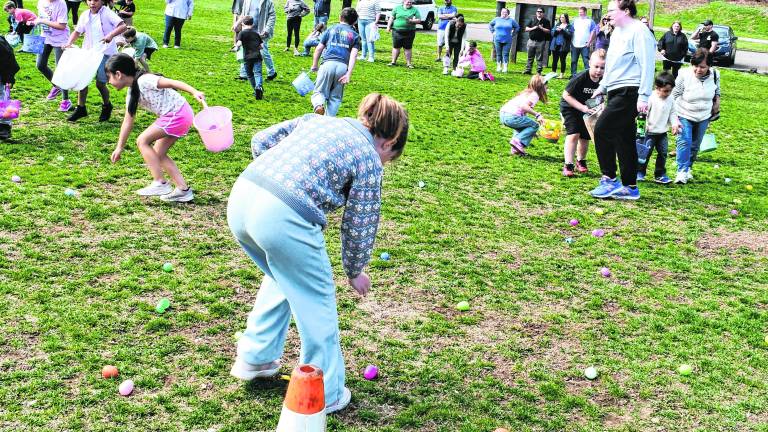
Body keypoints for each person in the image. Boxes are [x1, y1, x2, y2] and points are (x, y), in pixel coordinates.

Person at [227, 92, 409, 416]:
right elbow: (360, 223)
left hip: (243, 195)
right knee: (318, 302)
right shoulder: (368, 158)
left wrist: (276, 177)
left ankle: (256, 356)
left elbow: (260, 140)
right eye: (389, 159)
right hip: (282, 217)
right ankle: (327, 392)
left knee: (281, 277)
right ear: (389, 141)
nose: (385, 164)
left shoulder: (318, 120)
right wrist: (354, 270)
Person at [105, 53, 203, 202]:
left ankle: (160, 182)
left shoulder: (145, 80)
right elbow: (127, 122)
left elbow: (173, 83)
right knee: (158, 153)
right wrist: (119, 147)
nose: (109, 82)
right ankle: (183, 190)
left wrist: (194, 92)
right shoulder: (132, 92)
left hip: (177, 114)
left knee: (142, 140)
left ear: (118, 74)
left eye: (109, 77)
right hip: (179, 115)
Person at [588, 0, 655, 200]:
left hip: (631, 91)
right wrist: (602, 87)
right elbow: (613, 65)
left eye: (611, 10)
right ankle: (630, 187)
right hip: (616, 91)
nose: (607, 14)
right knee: (623, 139)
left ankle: (609, 178)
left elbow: (647, 64)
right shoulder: (616, 33)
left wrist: (644, 96)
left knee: (602, 129)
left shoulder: (640, 31)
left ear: (626, 11)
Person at [64, 0, 126, 122]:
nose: (92, 2)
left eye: (96, 0)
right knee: (82, 81)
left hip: (104, 53)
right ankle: (81, 108)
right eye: (89, 0)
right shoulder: (85, 14)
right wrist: (69, 43)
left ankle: (107, 105)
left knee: (100, 83)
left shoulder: (107, 13)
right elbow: (77, 31)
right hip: (88, 53)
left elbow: (122, 26)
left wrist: (110, 35)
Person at [672, 48, 720, 184]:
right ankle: (681, 172)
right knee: (684, 141)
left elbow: (717, 90)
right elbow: (674, 94)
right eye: (696, 66)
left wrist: (717, 100)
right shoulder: (684, 74)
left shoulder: (715, 74)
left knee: (695, 145)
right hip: (684, 113)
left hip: (703, 115)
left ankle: (688, 169)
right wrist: (672, 117)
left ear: (709, 66)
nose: (698, 69)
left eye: (702, 67)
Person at [560, 49, 606, 176]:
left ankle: (581, 161)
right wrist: (582, 108)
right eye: (596, 66)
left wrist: (601, 107)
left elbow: (601, 97)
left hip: (588, 109)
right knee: (574, 134)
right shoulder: (581, 77)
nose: (599, 70)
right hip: (570, 107)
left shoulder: (604, 81)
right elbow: (566, 95)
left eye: (602, 67)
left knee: (585, 137)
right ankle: (568, 164)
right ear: (589, 63)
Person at [310, 7, 359, 116]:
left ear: (340, 17)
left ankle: (318, 105)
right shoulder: (355, 35)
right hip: (342, 67)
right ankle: (329, 119)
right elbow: (353, 55)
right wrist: (348, 74)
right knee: (335, 97)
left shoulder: (330, 29)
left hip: (327, 64)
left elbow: (319, 48)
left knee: (319, 91)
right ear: (355, 21)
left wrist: (314, 65)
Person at [636, 71, 679, 184]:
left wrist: (674, 124)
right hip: (649, 132)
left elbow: (673, 113)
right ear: (657, 88)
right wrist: (643, 126)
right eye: (665, 91)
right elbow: (643, 114)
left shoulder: (670, 99)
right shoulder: (650, 98)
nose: (668, 93)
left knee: (663, 153)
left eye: (670, 91)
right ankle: (639, 172)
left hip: (662, 133)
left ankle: (660, 174)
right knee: (644, 154)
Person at [33, 0, 72, 112]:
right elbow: (41, 18)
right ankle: (57, 85)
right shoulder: (41, 2)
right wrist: (35, 21)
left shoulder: (61, 3)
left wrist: (42, 21)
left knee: (60, 69)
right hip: (45, 37)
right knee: (40, 65)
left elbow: (62, 26)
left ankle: (66, 100)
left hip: (60, 39)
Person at [500, 74, 549, 156]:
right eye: (546, 86)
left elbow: (523, 113)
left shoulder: (526, 93)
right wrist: (537, 115)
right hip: (512, 116)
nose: (547, 88)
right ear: (540, 87)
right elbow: (523, 106)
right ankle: (518, 141)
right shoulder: (535, 95)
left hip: (503, 115)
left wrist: (529, 132)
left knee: (522, 127)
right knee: (535, 125)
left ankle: (515, 149)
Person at [236, 0, 276, 82]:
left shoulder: (267, 2)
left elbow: (272, 16)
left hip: (261, 33)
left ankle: (271, 72)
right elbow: (243, 15)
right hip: (247, 30)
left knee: (263, 52)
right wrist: (237, 23)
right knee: (245, 51)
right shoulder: (247, 1)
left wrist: (267, 29)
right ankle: (243, 74)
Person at [234, 16, 264, 99]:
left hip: (247, 57)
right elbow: (261, 46)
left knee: (250, 74)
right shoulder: (256, 33)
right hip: (257, 57)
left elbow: (239, 43)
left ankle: (256, 90)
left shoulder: (242, 33)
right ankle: (259, 87)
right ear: (253, 24)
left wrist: (236, 48)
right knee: (258, 73)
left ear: (243, 23)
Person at [387, 0, 419, 68]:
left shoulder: (414, 9)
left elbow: (419, 20)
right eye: (408, 2)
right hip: (397, 31)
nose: (409, 3)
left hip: (409, 31)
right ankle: (393, 62)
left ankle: (409, 64)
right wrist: (388, 27)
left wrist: (411, 21)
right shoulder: (397, 8)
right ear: (404, 2)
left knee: (408, 47)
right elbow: (392, 18)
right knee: (396, 46)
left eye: (411, 2)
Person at [0, 35, 19, 141]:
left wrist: (9, 78)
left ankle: (4, 126)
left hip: (2, 71)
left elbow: (10, 60)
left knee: (2, 98)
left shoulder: (1, 45)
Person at [488, 7, 518, 73]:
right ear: (501, 12)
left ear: (508, 13)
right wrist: (493, 32)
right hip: (497, 39)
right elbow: (490, 24)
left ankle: (505, 67)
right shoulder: (496, 19)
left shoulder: (511, 20)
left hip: (507, 39)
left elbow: (517, 27)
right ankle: (499, 66)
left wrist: (513, 34)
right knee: (498, 53)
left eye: (505, 12)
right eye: (502, 12)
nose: (504, 13)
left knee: (506, 53)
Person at [523, 7, 550, 75]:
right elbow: (526, 29)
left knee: (539, 57)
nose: (539, 13)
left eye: (540, 12)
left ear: (543, 13)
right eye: (538, 11)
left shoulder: (546, 21)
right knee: (530, 56)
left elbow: (548, 31)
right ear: (536, 12)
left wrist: (542, 28)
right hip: (531, 41)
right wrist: (533, 28)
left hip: (540, 42)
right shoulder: (532, 19)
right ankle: (528, 70)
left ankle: (539, 71)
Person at [570, 6, 596, 77]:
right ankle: (573, 75)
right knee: (573, 61)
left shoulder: (590, 21)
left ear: (585, 12)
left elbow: (593, 32)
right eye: (579, 12)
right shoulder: (575, 20)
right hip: (574, 43)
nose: (580, 13)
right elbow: (571, 30)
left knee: (586, 61)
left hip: (585, 45)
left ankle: (588, 75)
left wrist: (589, 42)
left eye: (581, 12)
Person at [549, 13, 572, 79]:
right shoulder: (557, 25)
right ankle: (553, 73)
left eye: (563, 17)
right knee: (554, 60)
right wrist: (556, 31)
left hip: (564, 46)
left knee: (562, 60)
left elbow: (569, 36)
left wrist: (562, 30)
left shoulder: (569, 26)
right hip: (556, 45)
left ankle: (561, 74)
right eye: (561, 17)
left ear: (566, 18)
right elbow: (552, 33)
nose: (561, 18)